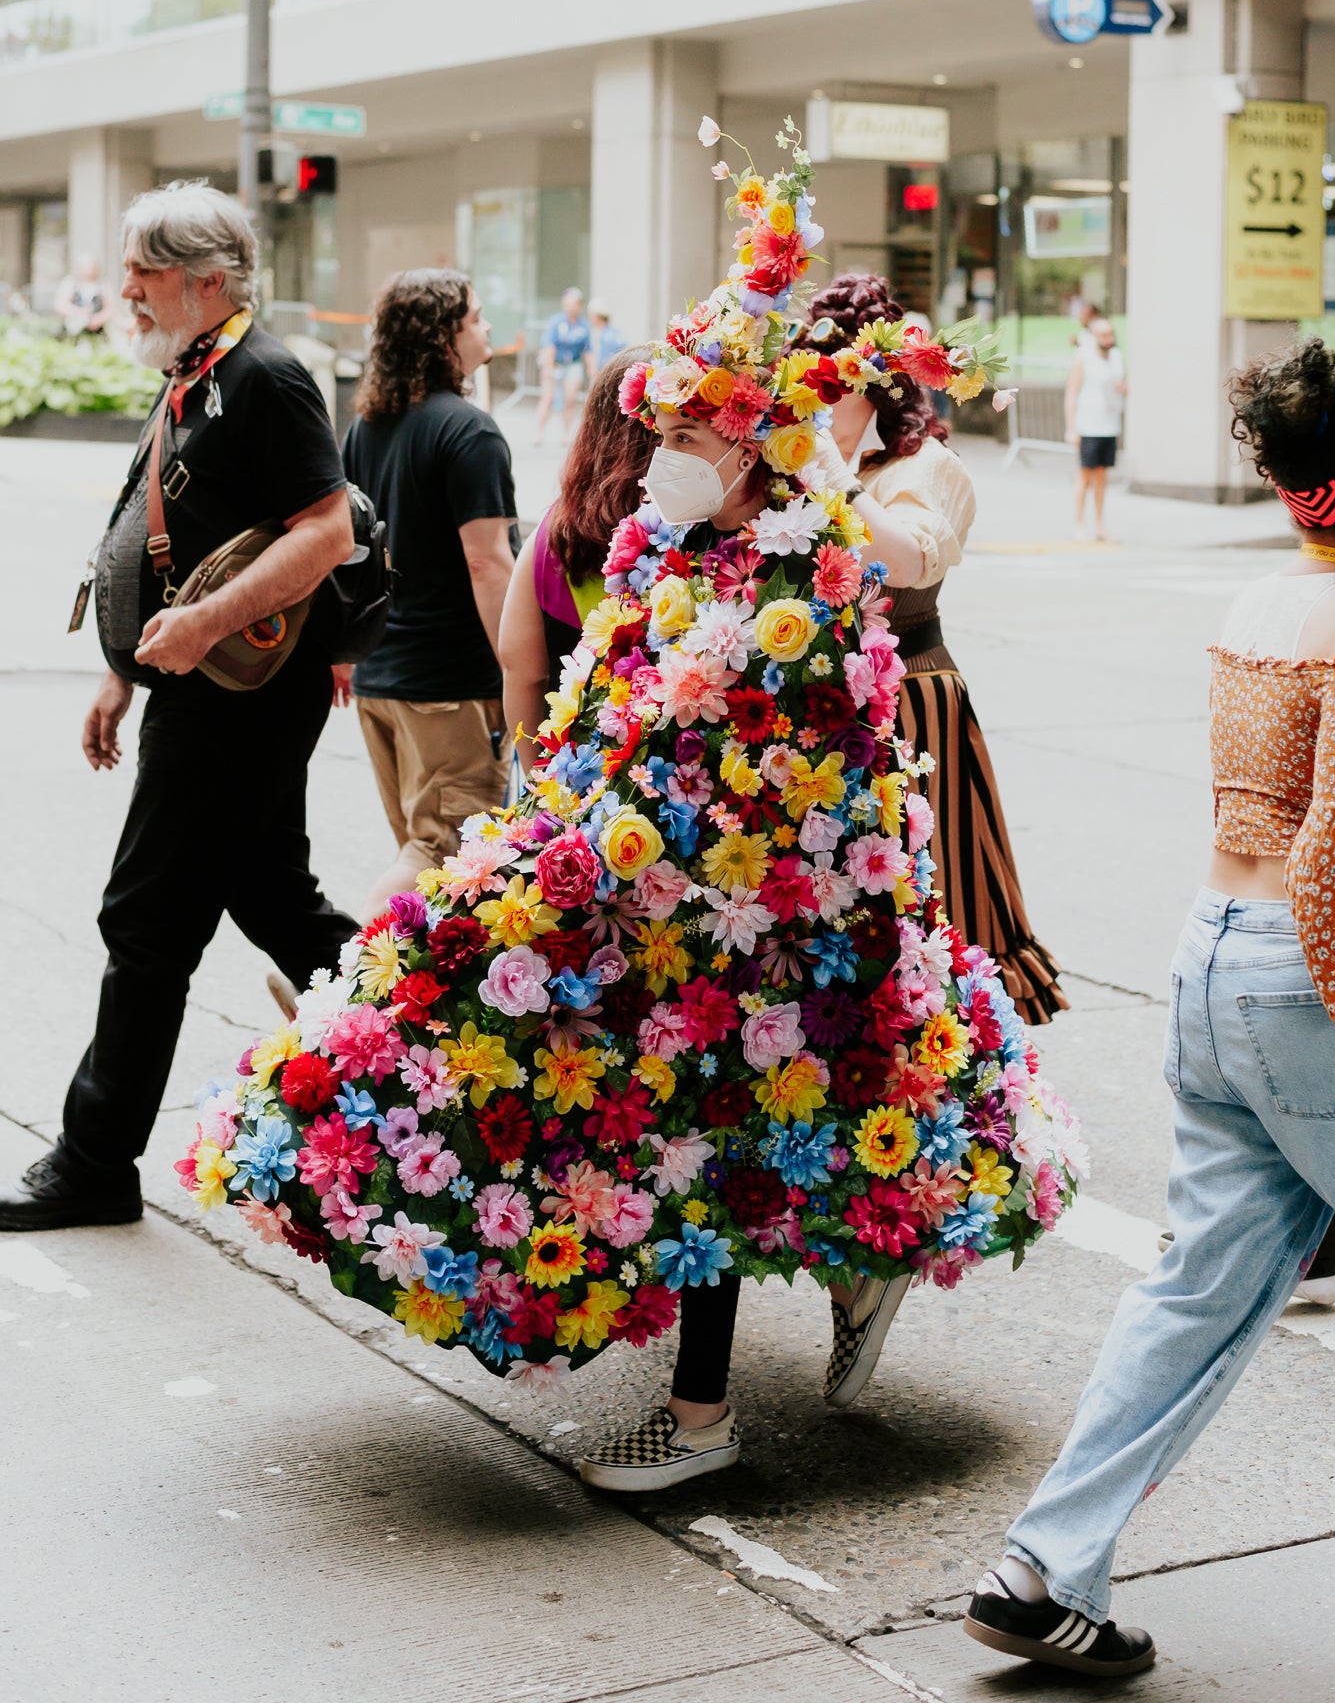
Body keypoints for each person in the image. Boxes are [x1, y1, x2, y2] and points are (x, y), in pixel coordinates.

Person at [195, 127, 1082, 1502]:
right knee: (689, 1140)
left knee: (723, 1147)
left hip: (759, 920)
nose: (659, 453)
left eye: (685, 433)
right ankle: (773, 1312)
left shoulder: (802, 570)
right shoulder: (669, 544)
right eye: (658, 430)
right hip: (648, 886)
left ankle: (705, 1411)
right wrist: (553, 830)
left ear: (756, 443)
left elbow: (772, 762)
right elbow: (599, 709)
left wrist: (611, 856)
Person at [967, 337, 1335, 1677]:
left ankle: (1038, 1568)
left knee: (1192, 1292)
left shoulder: (1256, 603)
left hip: (1208, 961)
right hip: (1310, 980)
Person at [0, 181, 359, 1232]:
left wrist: (199, 629)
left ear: (206, 279)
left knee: (147, 919)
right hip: (200, 691)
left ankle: (94, 1161)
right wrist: (126, 670)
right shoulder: (198, 371)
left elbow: (326, 531)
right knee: (275, 901)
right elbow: (167, 538)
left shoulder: (266, 376)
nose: (126, 289)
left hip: (237, 701)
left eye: (142, 272)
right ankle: (422, 1038)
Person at [805, 274, 1067, 1032]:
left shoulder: (924, 467)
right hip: (822, 704)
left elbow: (909, 560)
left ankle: (967, 1057)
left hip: (912, 699)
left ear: (878, 385)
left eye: (833, 385)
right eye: (808, 384)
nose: (817, 402)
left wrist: (828, 473)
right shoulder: (805, 462)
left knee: (939, 889)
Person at [339, 269, 518, 917]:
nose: (487, 326)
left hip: (381, 683)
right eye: (475, 317)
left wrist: (344, 654)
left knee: (428, 865)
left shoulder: (367, 428)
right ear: (444, 336)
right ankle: (348, 975)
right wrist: (519, 670)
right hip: (448, 689)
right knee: (441, 856)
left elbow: (347, 550)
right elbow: (487, 563)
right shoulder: (469, 432)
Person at [499, 347, 652, 775]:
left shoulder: (555, 533)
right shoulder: (696, 528)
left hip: (575, 771)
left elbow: (521, 670)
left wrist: (536, 780)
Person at [1065, 315, 1125, 543]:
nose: (1109, 338)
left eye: (1111, 334)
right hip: (1088, 424)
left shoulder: (1117, 356)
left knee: (1102, 476)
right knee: (1085, 474)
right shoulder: (1083, 357)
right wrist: (1071, 428)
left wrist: (1123, 389)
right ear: (1093, 336)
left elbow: (1123, 386)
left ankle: (1100, 525)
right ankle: (1079, 523)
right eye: (1104, 334)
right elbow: (1072, 392)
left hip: (1110, 424)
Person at [535, 285, 590, 444]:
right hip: (555, 363)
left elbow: (588, 350)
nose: (570, 307)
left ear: (579, 305)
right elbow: (549, 346)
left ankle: (566, 434)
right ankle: (539, 433)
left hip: (573, 364)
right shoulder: (556, 322)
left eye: (573, 304)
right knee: (548, 397)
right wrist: (547, 368)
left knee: (569, 399)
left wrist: (592, 370)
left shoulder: (583, 325)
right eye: (567, 304)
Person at [56, 253, 112, 338]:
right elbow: (60, 305)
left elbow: (110, 308)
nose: (89, 270)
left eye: (91, 267)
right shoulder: (70, 283)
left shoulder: (102, 285)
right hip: (72, 329)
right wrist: (79, 312)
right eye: (86, 267)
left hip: (96, 331)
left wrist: (98, 320)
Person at [586, 297, 629, 373]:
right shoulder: (595, 332)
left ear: (598, 316)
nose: (590, 318)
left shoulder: (611, 334)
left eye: (592, 315)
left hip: (608, 372)